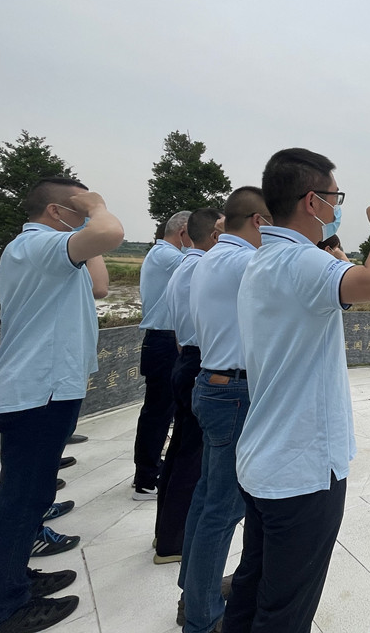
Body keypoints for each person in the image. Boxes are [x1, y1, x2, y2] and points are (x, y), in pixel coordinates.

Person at [223, 148, 370, 632]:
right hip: (301, 472)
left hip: (265, 460)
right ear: (311, 201)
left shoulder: (265, 260)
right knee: (284, 613)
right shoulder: (300, 262)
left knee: (251, 589)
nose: (336, 207)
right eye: (334, 198)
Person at [0, 177, 123, 633]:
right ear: (56, 212)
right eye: (78, 208)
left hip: (46, 391)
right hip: (36, 393)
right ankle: (1, 609)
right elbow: (110, 232)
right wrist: (97, 208)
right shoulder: (36, 246)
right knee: (20, 499)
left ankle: (15, 579)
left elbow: (100, 286)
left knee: (33, 494)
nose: (88, 216)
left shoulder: (52, 253)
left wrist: (86, 222)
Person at [178, 188, 269, 633]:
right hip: (233, 392)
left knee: (207, 497)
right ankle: (202, 617)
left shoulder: (210, 257)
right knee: (223, 508)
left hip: (214, 384)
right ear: (258, 221)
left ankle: (193, 592)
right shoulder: (244, 262)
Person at [153, 208, 222, 564]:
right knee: (191, 458)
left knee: (180, 449)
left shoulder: (184, 266)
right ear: (214, 235)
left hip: (186, 357)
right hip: (198, 361)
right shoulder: (202, 267)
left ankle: (165, 532)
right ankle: (173, 541)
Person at [132, 210, 191, 500]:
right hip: (163, 341)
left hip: (168, 340)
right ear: (183, 232)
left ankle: (153, 470)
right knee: (158, 412)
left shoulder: (168, 255)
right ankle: (146, 479)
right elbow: (205, 266)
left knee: (167, 410)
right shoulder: (166, 255)